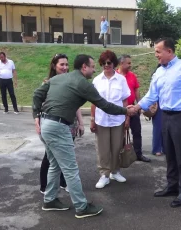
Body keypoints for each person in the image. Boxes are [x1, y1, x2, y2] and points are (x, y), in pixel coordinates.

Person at [32, 54, 137, 219]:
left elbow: (38, 94)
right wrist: (126, 111)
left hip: (47, 124)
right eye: (92, 66)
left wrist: (36, 115)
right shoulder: (83, 83)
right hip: (58, 127)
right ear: (84, 67)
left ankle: (50, 200)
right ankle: (81, 207)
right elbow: (104, 105)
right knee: (70, 169)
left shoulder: (60, 78)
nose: (94, 69)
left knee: (55, 165)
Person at [132, 38, 181, 208]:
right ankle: (172, 186)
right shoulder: (159, 72)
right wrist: (137, 107)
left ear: (169, 51)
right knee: (170, 154)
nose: (155, 54)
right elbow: (152, 95)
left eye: (158, 51)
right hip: (165, 116)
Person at [39, 54, 85, 194]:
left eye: (66, 64)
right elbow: (40, 105)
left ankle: (64, 182)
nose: (65, 67)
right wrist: (38, 123)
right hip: (54, 124)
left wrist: (81, 122)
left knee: (67, 154)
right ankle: (44, 185)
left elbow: (75, 104)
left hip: (70, 124)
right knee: (50, 155)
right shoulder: (48, 83)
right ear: (54, 66)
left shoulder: (71, 81)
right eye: (61, 65)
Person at [90, 50, 131, 189]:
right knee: (102, 148)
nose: (106, 65)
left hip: (118, 119)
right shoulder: (96, 80)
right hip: (101, 119)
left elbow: (125, 100)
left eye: (109, 63)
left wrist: (127, 118)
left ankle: (115, 171)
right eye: (103, 63)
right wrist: (92, 119)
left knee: (116, 147)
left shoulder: (121, 79)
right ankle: (104, 174)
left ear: (114, 63)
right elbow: (94, 102)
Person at [117, 54, 151, 162]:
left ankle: (138, 154)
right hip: (120, 111)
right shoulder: (115, 76)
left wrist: (139, 104)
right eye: (128, 63)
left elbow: (136, 90)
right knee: (119, 134)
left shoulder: (132, 75)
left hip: (133, 109)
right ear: (121, 63)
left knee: (137, 132)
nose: (130, 65)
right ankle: (120, 156)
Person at [150, 64, 163, 156]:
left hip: (167, 102)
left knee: (167, 127)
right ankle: (157, 148)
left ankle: (166, 148)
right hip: (157, 103)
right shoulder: (155, 76)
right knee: (158, 127)